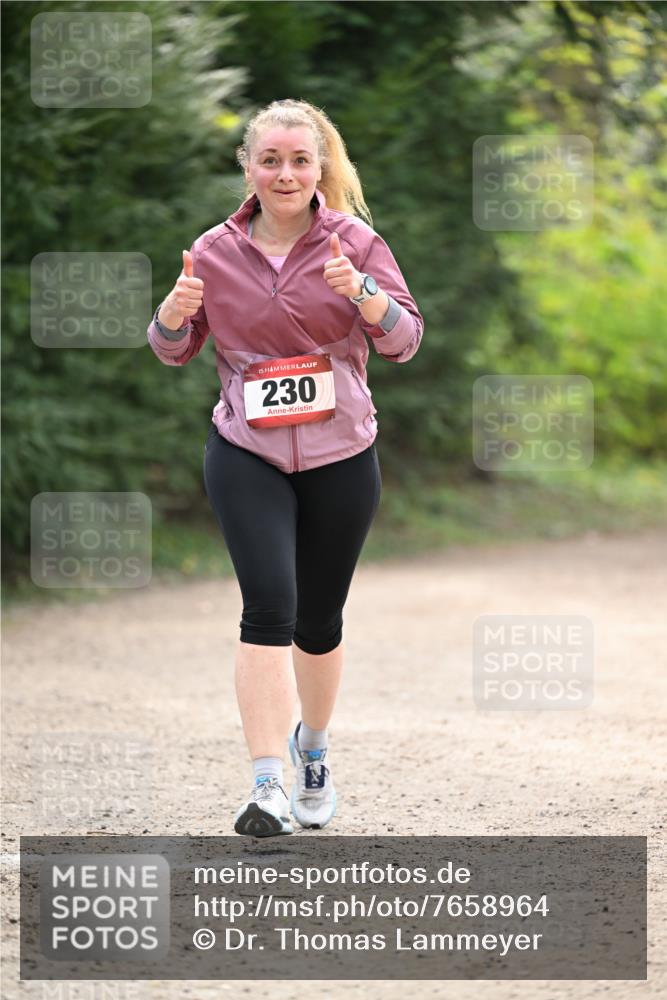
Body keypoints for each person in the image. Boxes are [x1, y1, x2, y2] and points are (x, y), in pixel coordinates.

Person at [146, 98, 424, 838]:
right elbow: (172, 348)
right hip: (247, 449)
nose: (284, 173)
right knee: (267, 603)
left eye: (299, 160)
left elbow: (404, 341)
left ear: (319, 168)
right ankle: (266, 784)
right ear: (248, 168)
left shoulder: (355, 242)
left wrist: (361, 295)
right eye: (269, 159)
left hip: (340, 452)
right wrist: (172, 314)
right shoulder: (210, 251)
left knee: (318, 620)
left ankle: (312, 750)